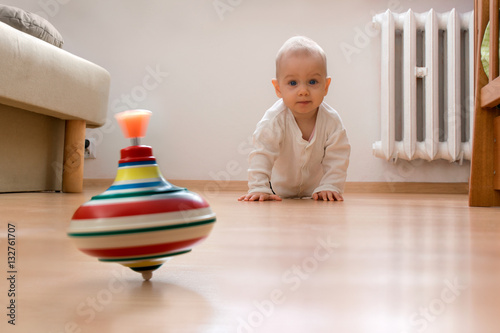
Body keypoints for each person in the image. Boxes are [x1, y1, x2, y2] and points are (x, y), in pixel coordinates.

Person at [238, 36, 350, 202]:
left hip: (317, 192)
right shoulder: (273, 121)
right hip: (278, 191)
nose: (303, 91)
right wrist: (259, 187)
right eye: (292, 83)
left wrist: (330, 186)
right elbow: (262, 154)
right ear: (278, 88)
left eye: (312, 81)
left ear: (325, 86)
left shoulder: (332, 121)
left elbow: (338, 157)